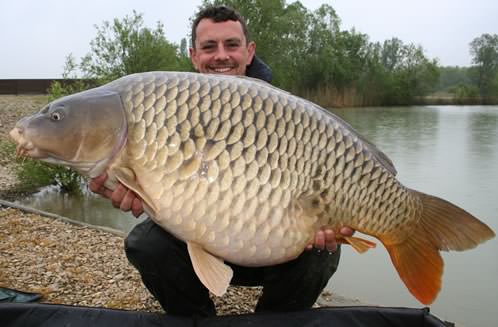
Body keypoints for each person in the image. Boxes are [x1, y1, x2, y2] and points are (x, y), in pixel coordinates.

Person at [90, 5, 354, 317]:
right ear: (193, 55)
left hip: (271, 246)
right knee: (146, 244)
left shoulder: (283, 113)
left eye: (231, 45)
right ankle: (198, 320)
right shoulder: (170, 107)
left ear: (249, 51)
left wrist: (324, 218)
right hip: (198, 236)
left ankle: (274, 322)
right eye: (209, 47)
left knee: (323, 252)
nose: (221, 55)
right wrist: (124, 185)